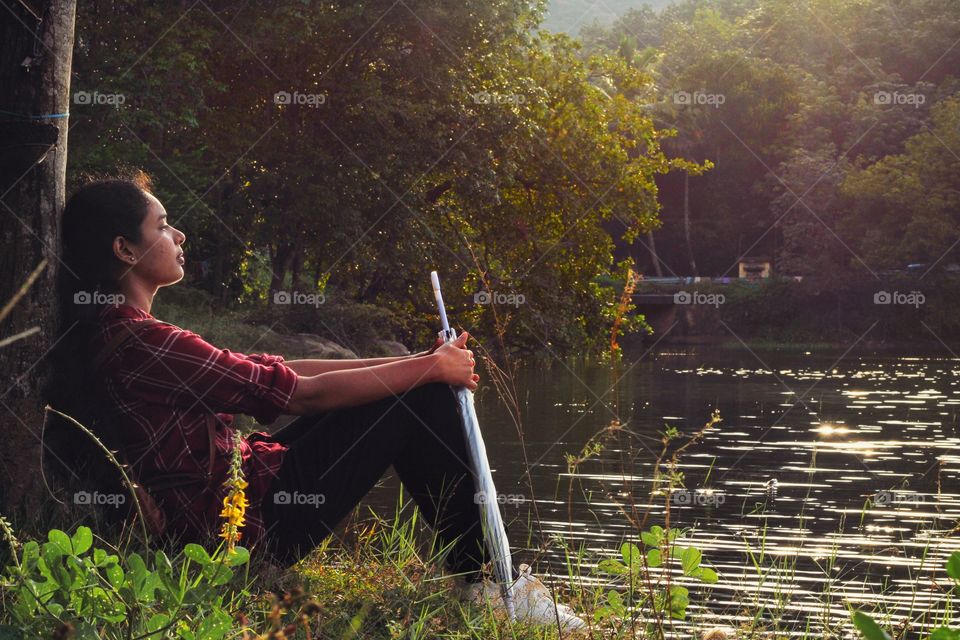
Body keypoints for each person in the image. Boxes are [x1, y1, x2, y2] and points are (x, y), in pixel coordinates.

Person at [44, 171, 586, 632]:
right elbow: (298, 395)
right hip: (246, 533)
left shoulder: (131, 333)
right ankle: (493, 587)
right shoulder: (145, 342)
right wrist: (427, 371)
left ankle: (489, 580)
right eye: (162, 227)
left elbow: (278, 371)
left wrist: (418, 361)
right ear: (124, 250)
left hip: (250, 488)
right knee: (424, 401)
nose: (179, 234)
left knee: (414, 390)